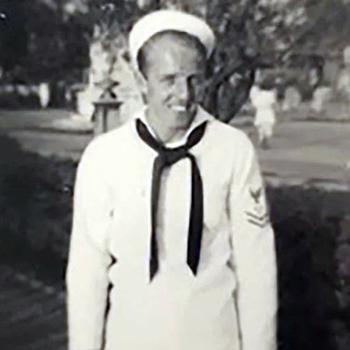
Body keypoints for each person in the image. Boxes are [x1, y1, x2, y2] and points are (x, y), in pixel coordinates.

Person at [66, 9, 277, 350]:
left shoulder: (232, 150)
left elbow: (257, 268)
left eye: (194, 79)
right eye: (169, 79)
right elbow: (87, 274)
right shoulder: (104, 157)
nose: (184, 94)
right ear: (141, 80)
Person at [250, 79, 277, 149]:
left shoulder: (258, 95)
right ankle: (265, 140)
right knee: (268, 129)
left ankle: (262, 140)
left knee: (261, 130)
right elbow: (273, 104)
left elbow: (254, 105)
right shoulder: (270, 95)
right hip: (268, 112)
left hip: (260, 113)